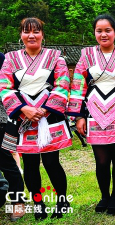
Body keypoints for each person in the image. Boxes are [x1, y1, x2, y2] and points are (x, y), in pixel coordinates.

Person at [0, 17, 71, 220]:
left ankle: (62, 201)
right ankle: (38, 203)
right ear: (21, 35)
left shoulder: (56, 57)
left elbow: (63, 83)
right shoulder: (10, 59)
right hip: (24, 119)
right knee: (30, 164)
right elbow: (4, 87)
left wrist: (44, 109)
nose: (31, 35)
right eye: (26, 31)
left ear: (42, 35)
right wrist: (24, 109)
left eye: (36, 31)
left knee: (51, 162)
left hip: (48, 118)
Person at [68, 14, 115, 216]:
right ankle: (104, 195)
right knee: (101, 160)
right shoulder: (86, 55)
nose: (103, 34)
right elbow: (78, 85)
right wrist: (78, 116)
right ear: (94, 33)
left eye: (108, 30)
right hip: (94, 113)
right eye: (99, 30)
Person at [0, 52, 25, 221]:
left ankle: (18, 202)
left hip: (0, 118)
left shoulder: (2, 59)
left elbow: (8, 86)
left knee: (6, 162)